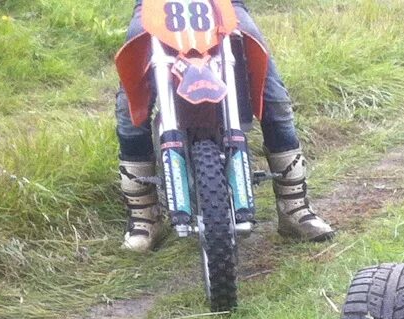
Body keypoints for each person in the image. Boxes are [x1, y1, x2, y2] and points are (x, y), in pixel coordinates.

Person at [115, 0, 332, 253]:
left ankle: (294, 209)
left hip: (223, 5)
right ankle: (145, 218)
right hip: (157, 6)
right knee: (128, 106)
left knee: (273, 97)